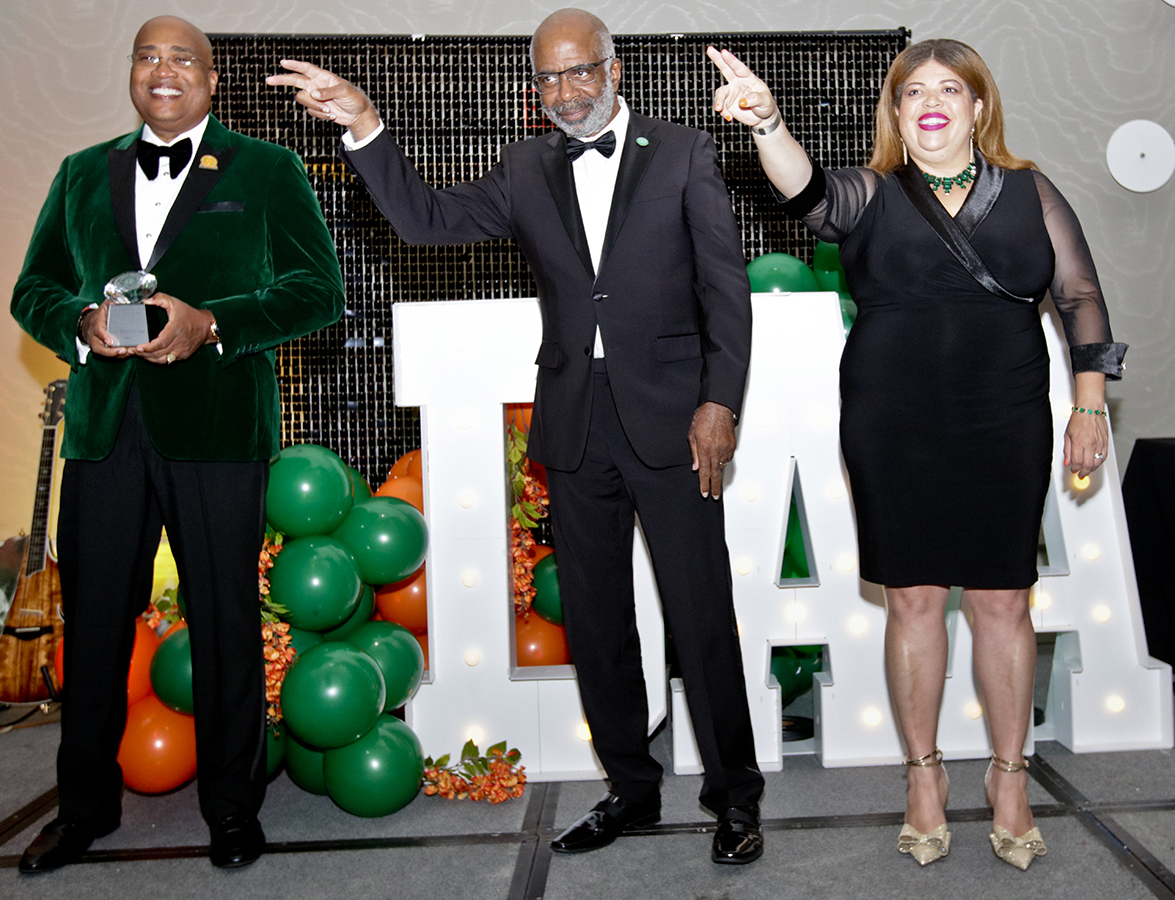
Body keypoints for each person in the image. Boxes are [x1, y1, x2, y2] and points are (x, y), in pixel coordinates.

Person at [268, 7, 764, 864]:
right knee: (598, 624)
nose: (566, 90)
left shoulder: (680, 152)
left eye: (580, 71)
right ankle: (631, 790)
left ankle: (734, 798)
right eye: (548, 78)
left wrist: (720, 402)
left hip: (677, 421)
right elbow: (426, 220)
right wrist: (363, 125)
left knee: (699, 613)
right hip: (574, 423)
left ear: (614, 69)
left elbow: (726, 291)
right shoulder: (525, 165)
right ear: (532, 90)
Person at [709, 39, 1124, 871]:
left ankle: (1008, 780)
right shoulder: (872, 194)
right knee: (914, 601)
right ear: (896, 113)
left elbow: (1076, 294)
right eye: (912, 91)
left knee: (1005, 602)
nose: (930, 100)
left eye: (949, 88)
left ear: (978, 107)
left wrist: (1087, 405)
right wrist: (767, 122)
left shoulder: (1030, 190)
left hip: (1003, 415)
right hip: (891, 419)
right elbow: (809, 194)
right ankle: (923, 776)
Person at [11, 16, 344, 873]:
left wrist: (214, 324)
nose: (163, 71)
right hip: (103, 433)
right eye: (147, 57)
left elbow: (317, 291)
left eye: (181, 59)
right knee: (92, 631)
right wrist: (80, 325)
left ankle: (233, 810)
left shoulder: (267, 168)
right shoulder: (82, 172)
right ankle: (83, 810)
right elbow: (32, 288)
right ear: (132, 74)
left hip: (217, 433)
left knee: (227, 624)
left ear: (211, 78)